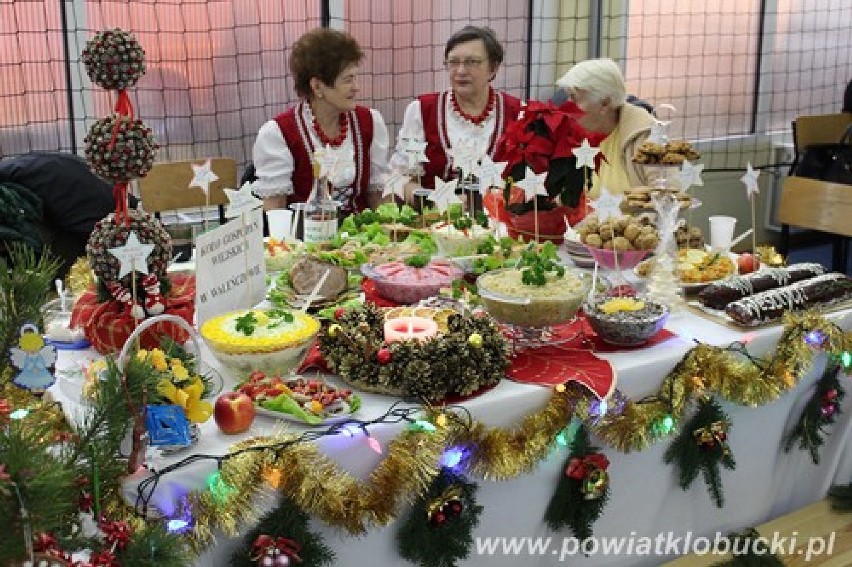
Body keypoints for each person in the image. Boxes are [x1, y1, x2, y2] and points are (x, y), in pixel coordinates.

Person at [252, 27, 389, 215]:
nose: (356, 88)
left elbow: (379, 195)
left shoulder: (370, 122)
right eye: (348, 80)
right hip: (307, 240)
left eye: (356, 77)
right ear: (317, 86)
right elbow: (275, 210)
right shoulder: (278, 134)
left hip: (364, 240)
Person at [390, 25, 523, 192]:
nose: (460, 71)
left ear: (493, 68)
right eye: (453, 62)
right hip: (436, 217)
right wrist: (435, 203)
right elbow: (403, 179)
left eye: (472, 62)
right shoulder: (422, 111)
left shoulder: (519, 113)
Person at [556, 58, 654, 196]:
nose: (567, 106)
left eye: (574, 98)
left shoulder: (646, 136)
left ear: (604, 104)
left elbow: (666, 196)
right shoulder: (564, 137)